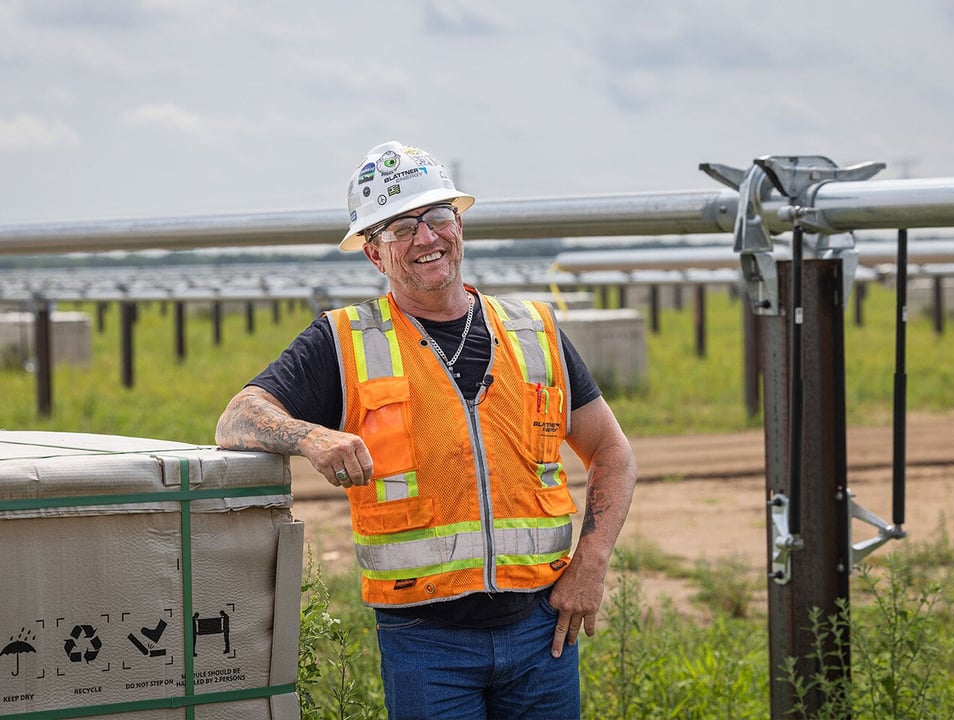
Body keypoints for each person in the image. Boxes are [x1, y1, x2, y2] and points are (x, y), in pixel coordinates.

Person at [215, 140, 637, 720]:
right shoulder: (344, 340)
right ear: (373, 254)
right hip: (425, 642)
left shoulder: (534, 329)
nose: (426, 238)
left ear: (458, 224)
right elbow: (237, 417)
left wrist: (591, 563)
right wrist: (313, 437)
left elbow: (611, 451)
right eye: (399, 227)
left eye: (438, 217)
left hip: (543, 634)